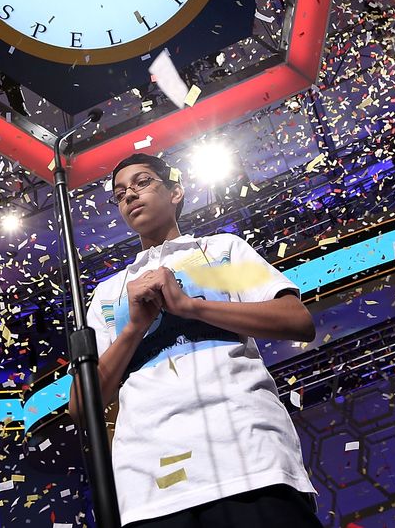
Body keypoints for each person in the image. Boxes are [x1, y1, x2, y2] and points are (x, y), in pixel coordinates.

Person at [69, 152, 323, 527]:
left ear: (176, 191)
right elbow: (80, 406)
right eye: (120, 194)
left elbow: (297, 320)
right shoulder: (108, 292)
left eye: (141, 183)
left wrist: (191, 307)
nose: (130, 196)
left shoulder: (222, 251)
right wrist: (134, 327)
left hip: (250, 458)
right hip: (151, 485)